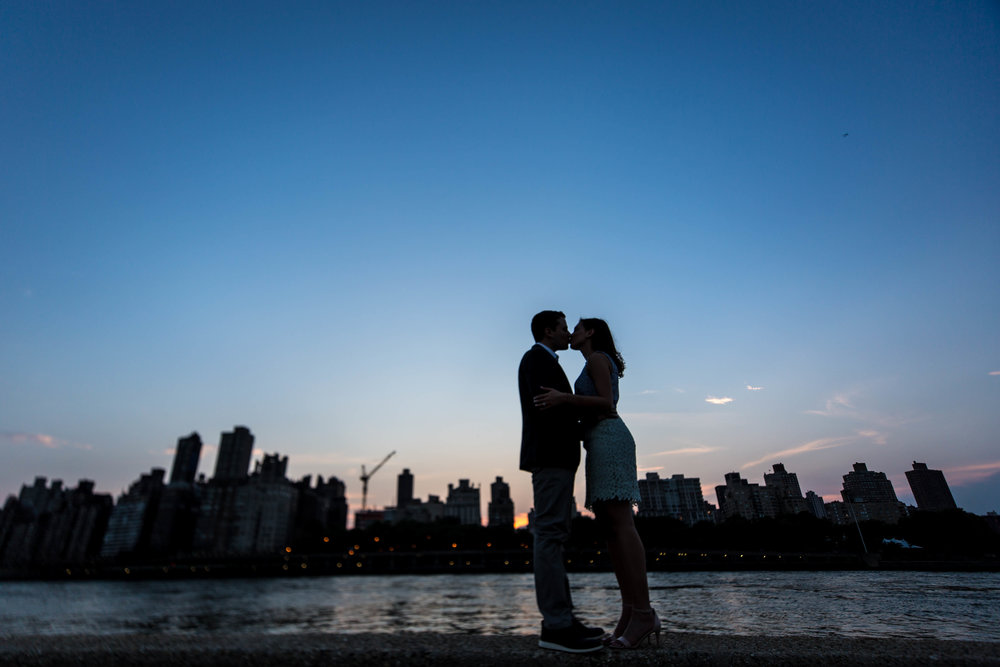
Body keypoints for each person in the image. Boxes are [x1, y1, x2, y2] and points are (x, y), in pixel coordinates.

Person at [534, 318, 660, 650]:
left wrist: (563, 399)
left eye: (576, 328)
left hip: (609, 438)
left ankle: (644, 613)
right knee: (611, 528)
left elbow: (607, 403)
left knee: (621, 524)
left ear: (590, 332)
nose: (571, 333)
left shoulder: (597, 359)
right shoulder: (593, 361)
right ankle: (630, 612)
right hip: (596, 441)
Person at [518, 310, 604, 653]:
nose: (568, 333)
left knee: (555, 534)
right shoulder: (537, 359)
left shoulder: (546, 361)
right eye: (564, 328)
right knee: (550, 534)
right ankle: (556, 625)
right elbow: (547, 408)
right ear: (548, 330)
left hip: (556, 459)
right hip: (551, 458)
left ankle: (563, 619)